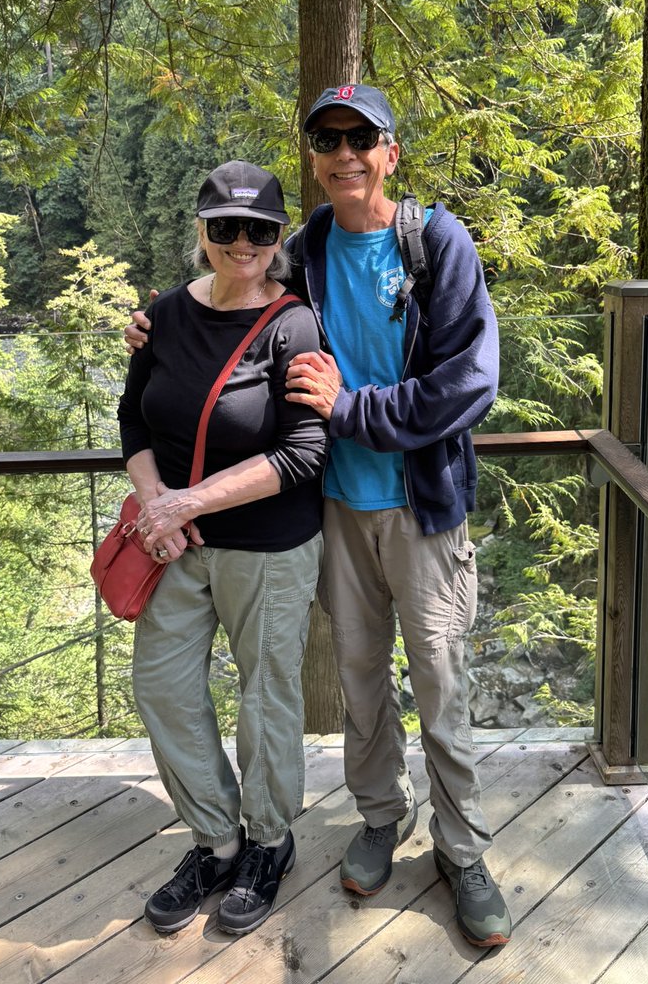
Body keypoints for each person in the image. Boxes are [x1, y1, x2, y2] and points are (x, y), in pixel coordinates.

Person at [126, 86, 511, 948]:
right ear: (313, 157)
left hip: (421, 507)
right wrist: (155, 320)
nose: (344, 153)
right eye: (327, 139)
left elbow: (470, 383)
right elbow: (234, 293)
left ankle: (464, 849)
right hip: (335, 508)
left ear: (390, 151)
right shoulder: (305, 246)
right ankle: (382, 817)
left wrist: (352, 410)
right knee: (363, 680)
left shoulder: (434, 244)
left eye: (361, 137)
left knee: (441, 684)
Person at [117, 160, 327, 939]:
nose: (243, 243)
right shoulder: (164, 314)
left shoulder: (295, 324)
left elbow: (305, 452)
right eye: (226, 228)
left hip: (268, 548)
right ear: (202, 231)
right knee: (164, 687)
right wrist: (155, 506)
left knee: (266, 697)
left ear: (279, 239)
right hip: (175, 544)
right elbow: (133, 421)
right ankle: (217, 839)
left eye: (261, 230)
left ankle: (270, 842)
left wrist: (187, 501)